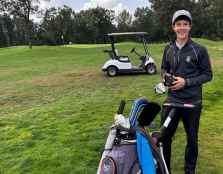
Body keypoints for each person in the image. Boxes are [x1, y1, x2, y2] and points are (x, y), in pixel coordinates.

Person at [160, 10, 212, 174]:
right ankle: (164, 169)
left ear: (189, 27)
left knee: (192, 141)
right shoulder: (168, 49)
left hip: (192, 103)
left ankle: (189, 171)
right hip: (172, 101)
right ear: (173, 27)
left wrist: (186, 82)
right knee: (163, 138)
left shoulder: (199, 49)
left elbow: (207, 75)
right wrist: (165, 78)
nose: (181, 28)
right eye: (178, 25)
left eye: (185, 24)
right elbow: (163, 69)